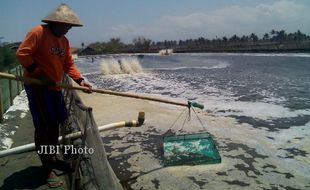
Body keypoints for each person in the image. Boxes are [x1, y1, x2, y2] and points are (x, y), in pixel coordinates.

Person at [16, 4, 92, 188]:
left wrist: (80, 80)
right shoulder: (38, 32)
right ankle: (46, 169)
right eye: (66, 25)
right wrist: (41, 75)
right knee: (43, 127)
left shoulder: (64, 42)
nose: (68, 29)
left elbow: (68, 65)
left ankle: (52, 158)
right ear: (56, 22)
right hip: (38, 88)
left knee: (56, 124)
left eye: (70, 26)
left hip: (55, 89)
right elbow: (22, 54)